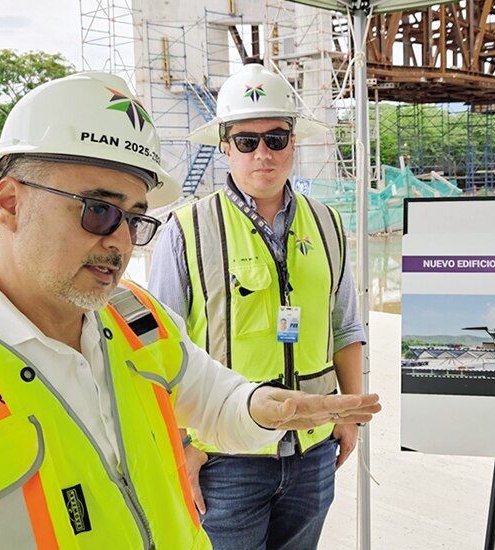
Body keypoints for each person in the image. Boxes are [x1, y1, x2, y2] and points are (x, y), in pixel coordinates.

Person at [0, 72, 379, 549]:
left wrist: (262, 408)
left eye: (133, 217)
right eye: (97, 210)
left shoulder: (135, 317)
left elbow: (212, 398)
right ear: (9, 203)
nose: (120, 243)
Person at [148, 60, 365, 549]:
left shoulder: (328, 224)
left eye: (276, 138)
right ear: (226, 147)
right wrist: (181, 445)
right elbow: (158, 354)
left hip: (311, 452)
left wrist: (347, 415)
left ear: (294, 142)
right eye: (247, 141)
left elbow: (346, 327)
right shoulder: (184, 231)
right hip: (224, 456)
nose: (262, 153)